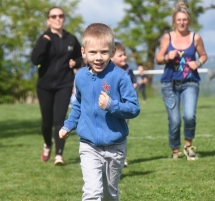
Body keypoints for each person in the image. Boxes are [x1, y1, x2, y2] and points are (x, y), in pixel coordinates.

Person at [59, 23, 140, 200]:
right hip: (89, 146)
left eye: (104, 52)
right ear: (83, 52)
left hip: (116, 146)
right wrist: (68, 125)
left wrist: (112, 105)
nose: (98, 57)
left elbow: (134, 108)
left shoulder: (120, 76)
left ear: (112, 52)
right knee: (92, 192)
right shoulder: (80, 76)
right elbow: (79, 105)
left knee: (109, 194)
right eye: (93, 52)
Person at [155, 1, 207, 160]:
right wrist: (166, 57)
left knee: (189, 116)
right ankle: (175, 150)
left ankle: (188, 146)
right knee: (175, 120)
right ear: (174, 21)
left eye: (184, 19)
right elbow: (158, 59)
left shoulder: (195, 37)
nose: (182, 22)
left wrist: (198, 62)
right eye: (179, 20)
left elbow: (204, 55)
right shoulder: (167, 37)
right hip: (169, 84)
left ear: (188, 20)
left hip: (190, 83)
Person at [31, 6, 82, 165]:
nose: (57, 18)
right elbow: (35, 60)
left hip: (64, 84)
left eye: (60, 15)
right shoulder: (44, 38)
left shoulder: (71, 39)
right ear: (48, 20)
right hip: (45, 85)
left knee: (59, 120)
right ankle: (47, 144)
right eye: (53, 16)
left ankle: (59, 154)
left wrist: (76, 62)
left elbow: (82, 57)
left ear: (64, 18)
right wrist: (44, 43)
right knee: (47, 123)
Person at [111, 41, 137, 167]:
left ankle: (122, 158)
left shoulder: (128, 70)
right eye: (120, 56)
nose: (124, 58)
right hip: (110, 108)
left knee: (122, 133)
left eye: (124, 55)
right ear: (112, 57)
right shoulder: (108, 70)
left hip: (124, 108)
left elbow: (135, 84)